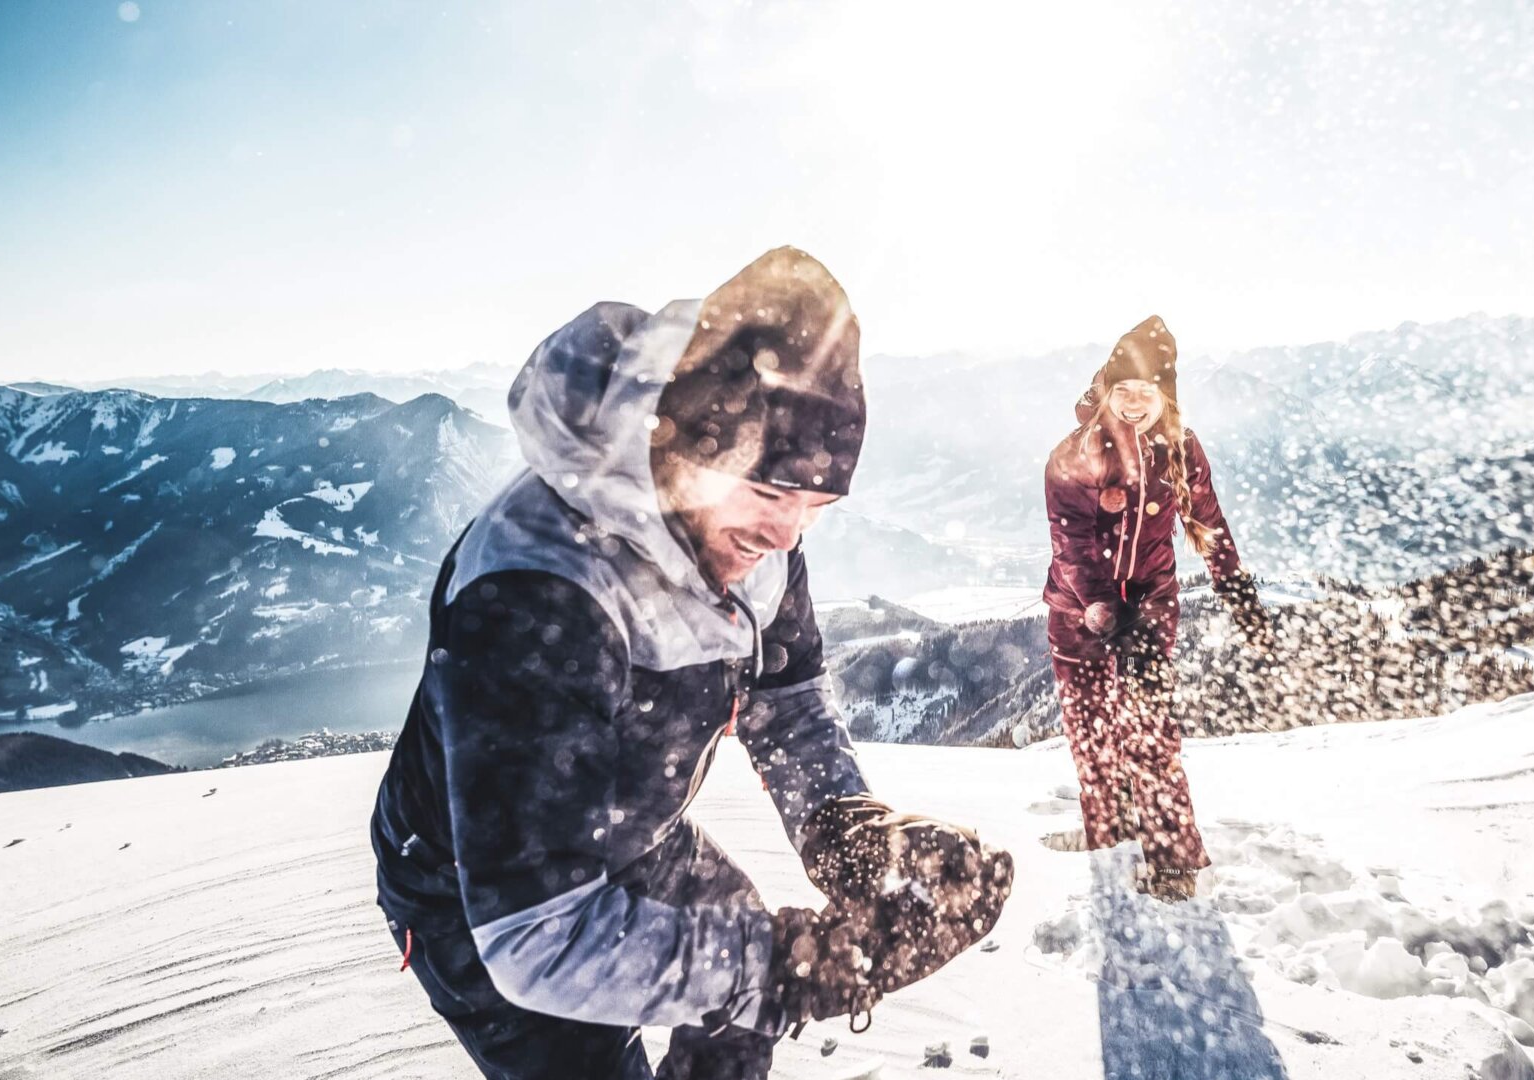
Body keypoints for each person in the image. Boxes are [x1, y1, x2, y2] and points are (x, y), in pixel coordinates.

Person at [370, 247, 1012, 1080]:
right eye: (773, 495)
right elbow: (537, 938)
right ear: (689, 445)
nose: (787, 535)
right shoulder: (539, 587)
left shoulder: (761, 544)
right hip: (480, 895)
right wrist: (790, 970)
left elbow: (789, 706)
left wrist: (850, 832)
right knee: (610, 1048)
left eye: (816, 507)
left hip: (637, 833)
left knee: (738, 981)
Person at [1041, 315, 1272, 902]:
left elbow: (1208, 523)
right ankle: (1108, 834)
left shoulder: (1181, 449)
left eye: (1148, 392)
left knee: (1149, 732)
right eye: (1124, 391)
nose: (1135, 403)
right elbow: (1073, 546)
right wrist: (1100, 610)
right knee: (1090, 728)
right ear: (1106, 391)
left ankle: (1173, 861)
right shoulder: (1075, 455)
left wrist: (1237, 592)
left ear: (1165, 395)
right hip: (1079, 609)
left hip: (1149, 606)